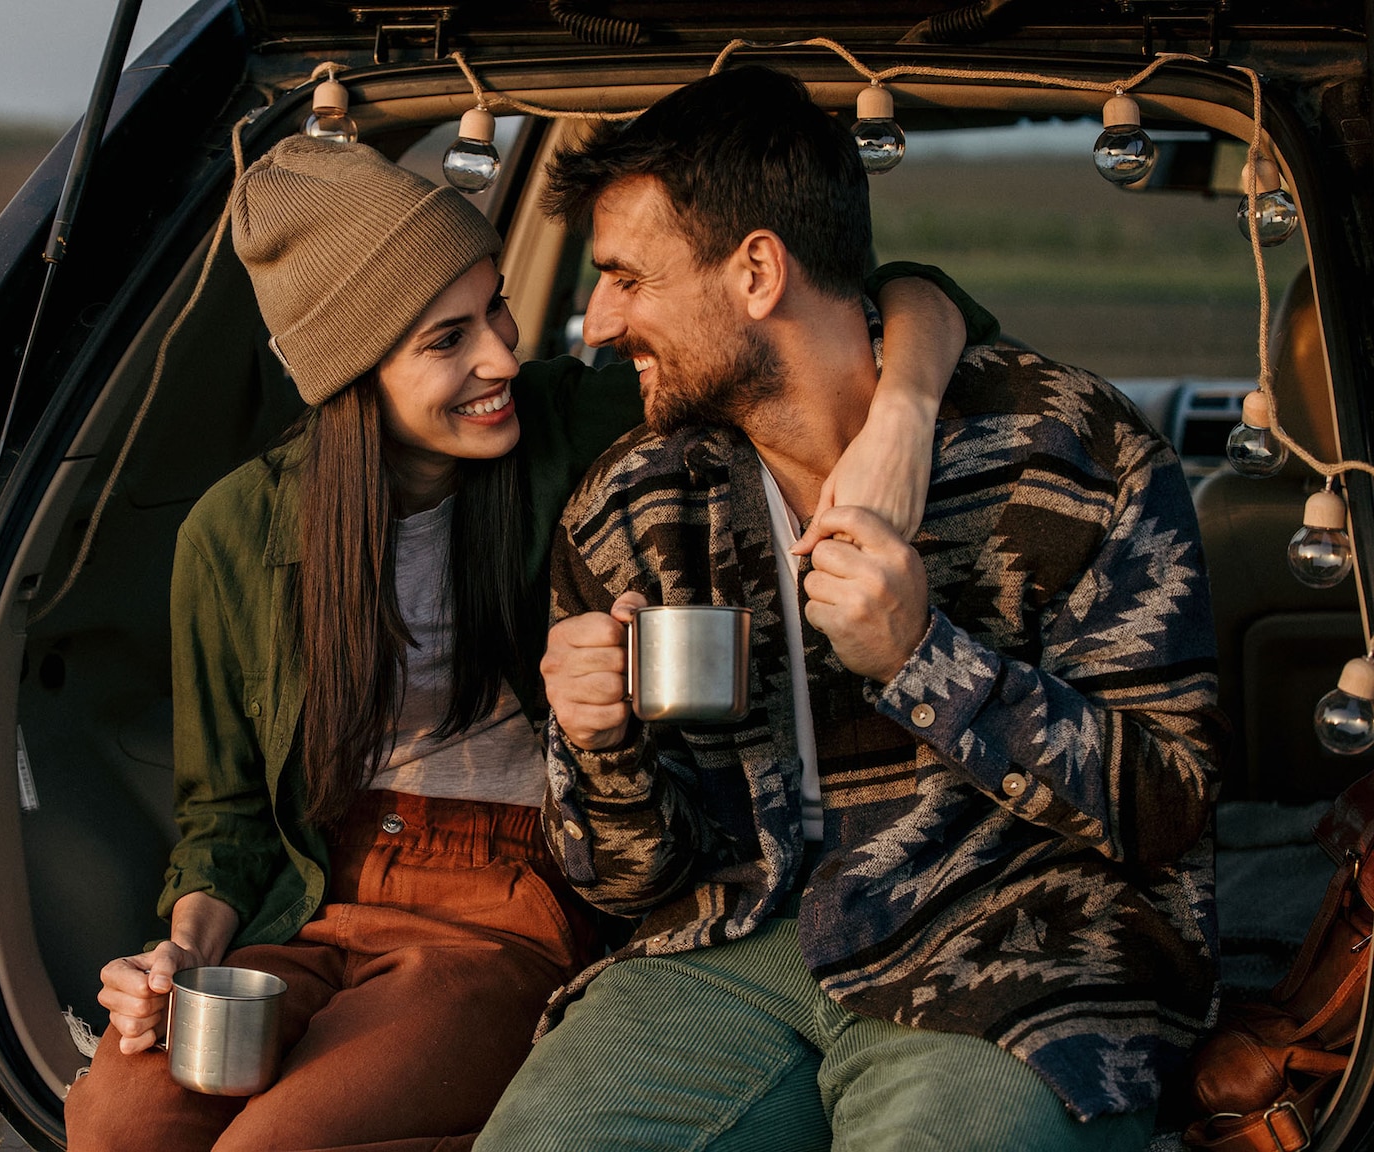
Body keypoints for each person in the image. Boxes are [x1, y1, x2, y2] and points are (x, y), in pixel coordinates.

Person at [63, 133, 992, 1151]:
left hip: (516, 907)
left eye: (494, 307)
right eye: (444, 340)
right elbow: (226, 820)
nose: (500, 356)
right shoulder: (235, 534)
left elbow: (892, 298)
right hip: (324, 902)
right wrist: (179, 953)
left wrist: (900, 414)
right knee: (119, 1120)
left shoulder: (570, 426)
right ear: (347, 375)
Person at [478, 66, 1221, 1152]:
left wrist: (925, 659)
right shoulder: (631, 508)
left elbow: (1174, 800)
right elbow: (627, 878)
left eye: (626, 279)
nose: (595, 321)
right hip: (734, 952)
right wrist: (594, 750)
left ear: (757, 271)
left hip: (1016, 952)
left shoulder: (1066, 453)